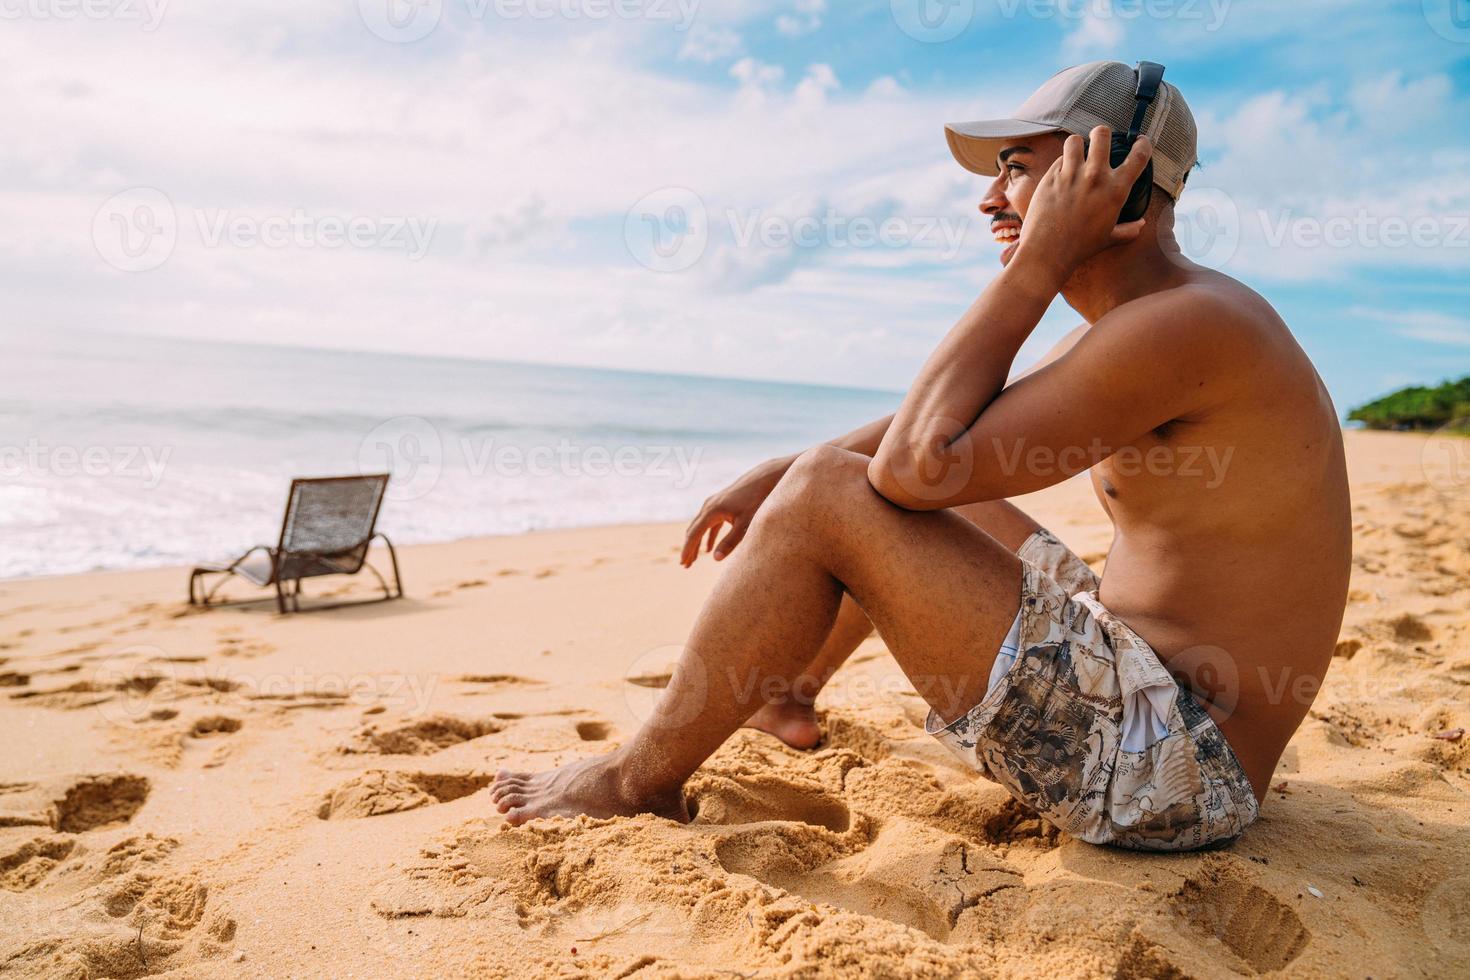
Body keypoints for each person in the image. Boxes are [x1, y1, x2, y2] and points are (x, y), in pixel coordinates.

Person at [491, 61, 1351, 851]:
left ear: (1117, 178)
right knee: (853, 481)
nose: (991, 199)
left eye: (1017, 167)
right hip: (1145, 687)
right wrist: (779, 468)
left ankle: (631, 781)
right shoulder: (1150, 321)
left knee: (838, 494)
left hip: (1174, 766)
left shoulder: (1185, 326)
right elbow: (948, 428)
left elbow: (912, 465)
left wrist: (1038, 264)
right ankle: (788, 693)